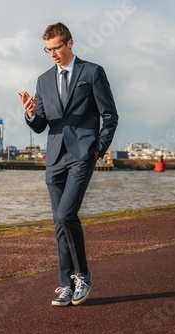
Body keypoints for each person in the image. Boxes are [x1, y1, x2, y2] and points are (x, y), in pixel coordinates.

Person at [20, 22, 118, 306]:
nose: (52, 54)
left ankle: (83, 274)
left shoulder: (92, 72)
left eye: (57, 48)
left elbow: (110, 115)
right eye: (48, 49)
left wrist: (98, 149)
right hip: (54, 157)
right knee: (58, 222)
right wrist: (30, 114)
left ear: (70, 44)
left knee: (66, 215)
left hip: (82, 154)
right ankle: (65, 283)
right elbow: (41, 125)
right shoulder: (43, 80)